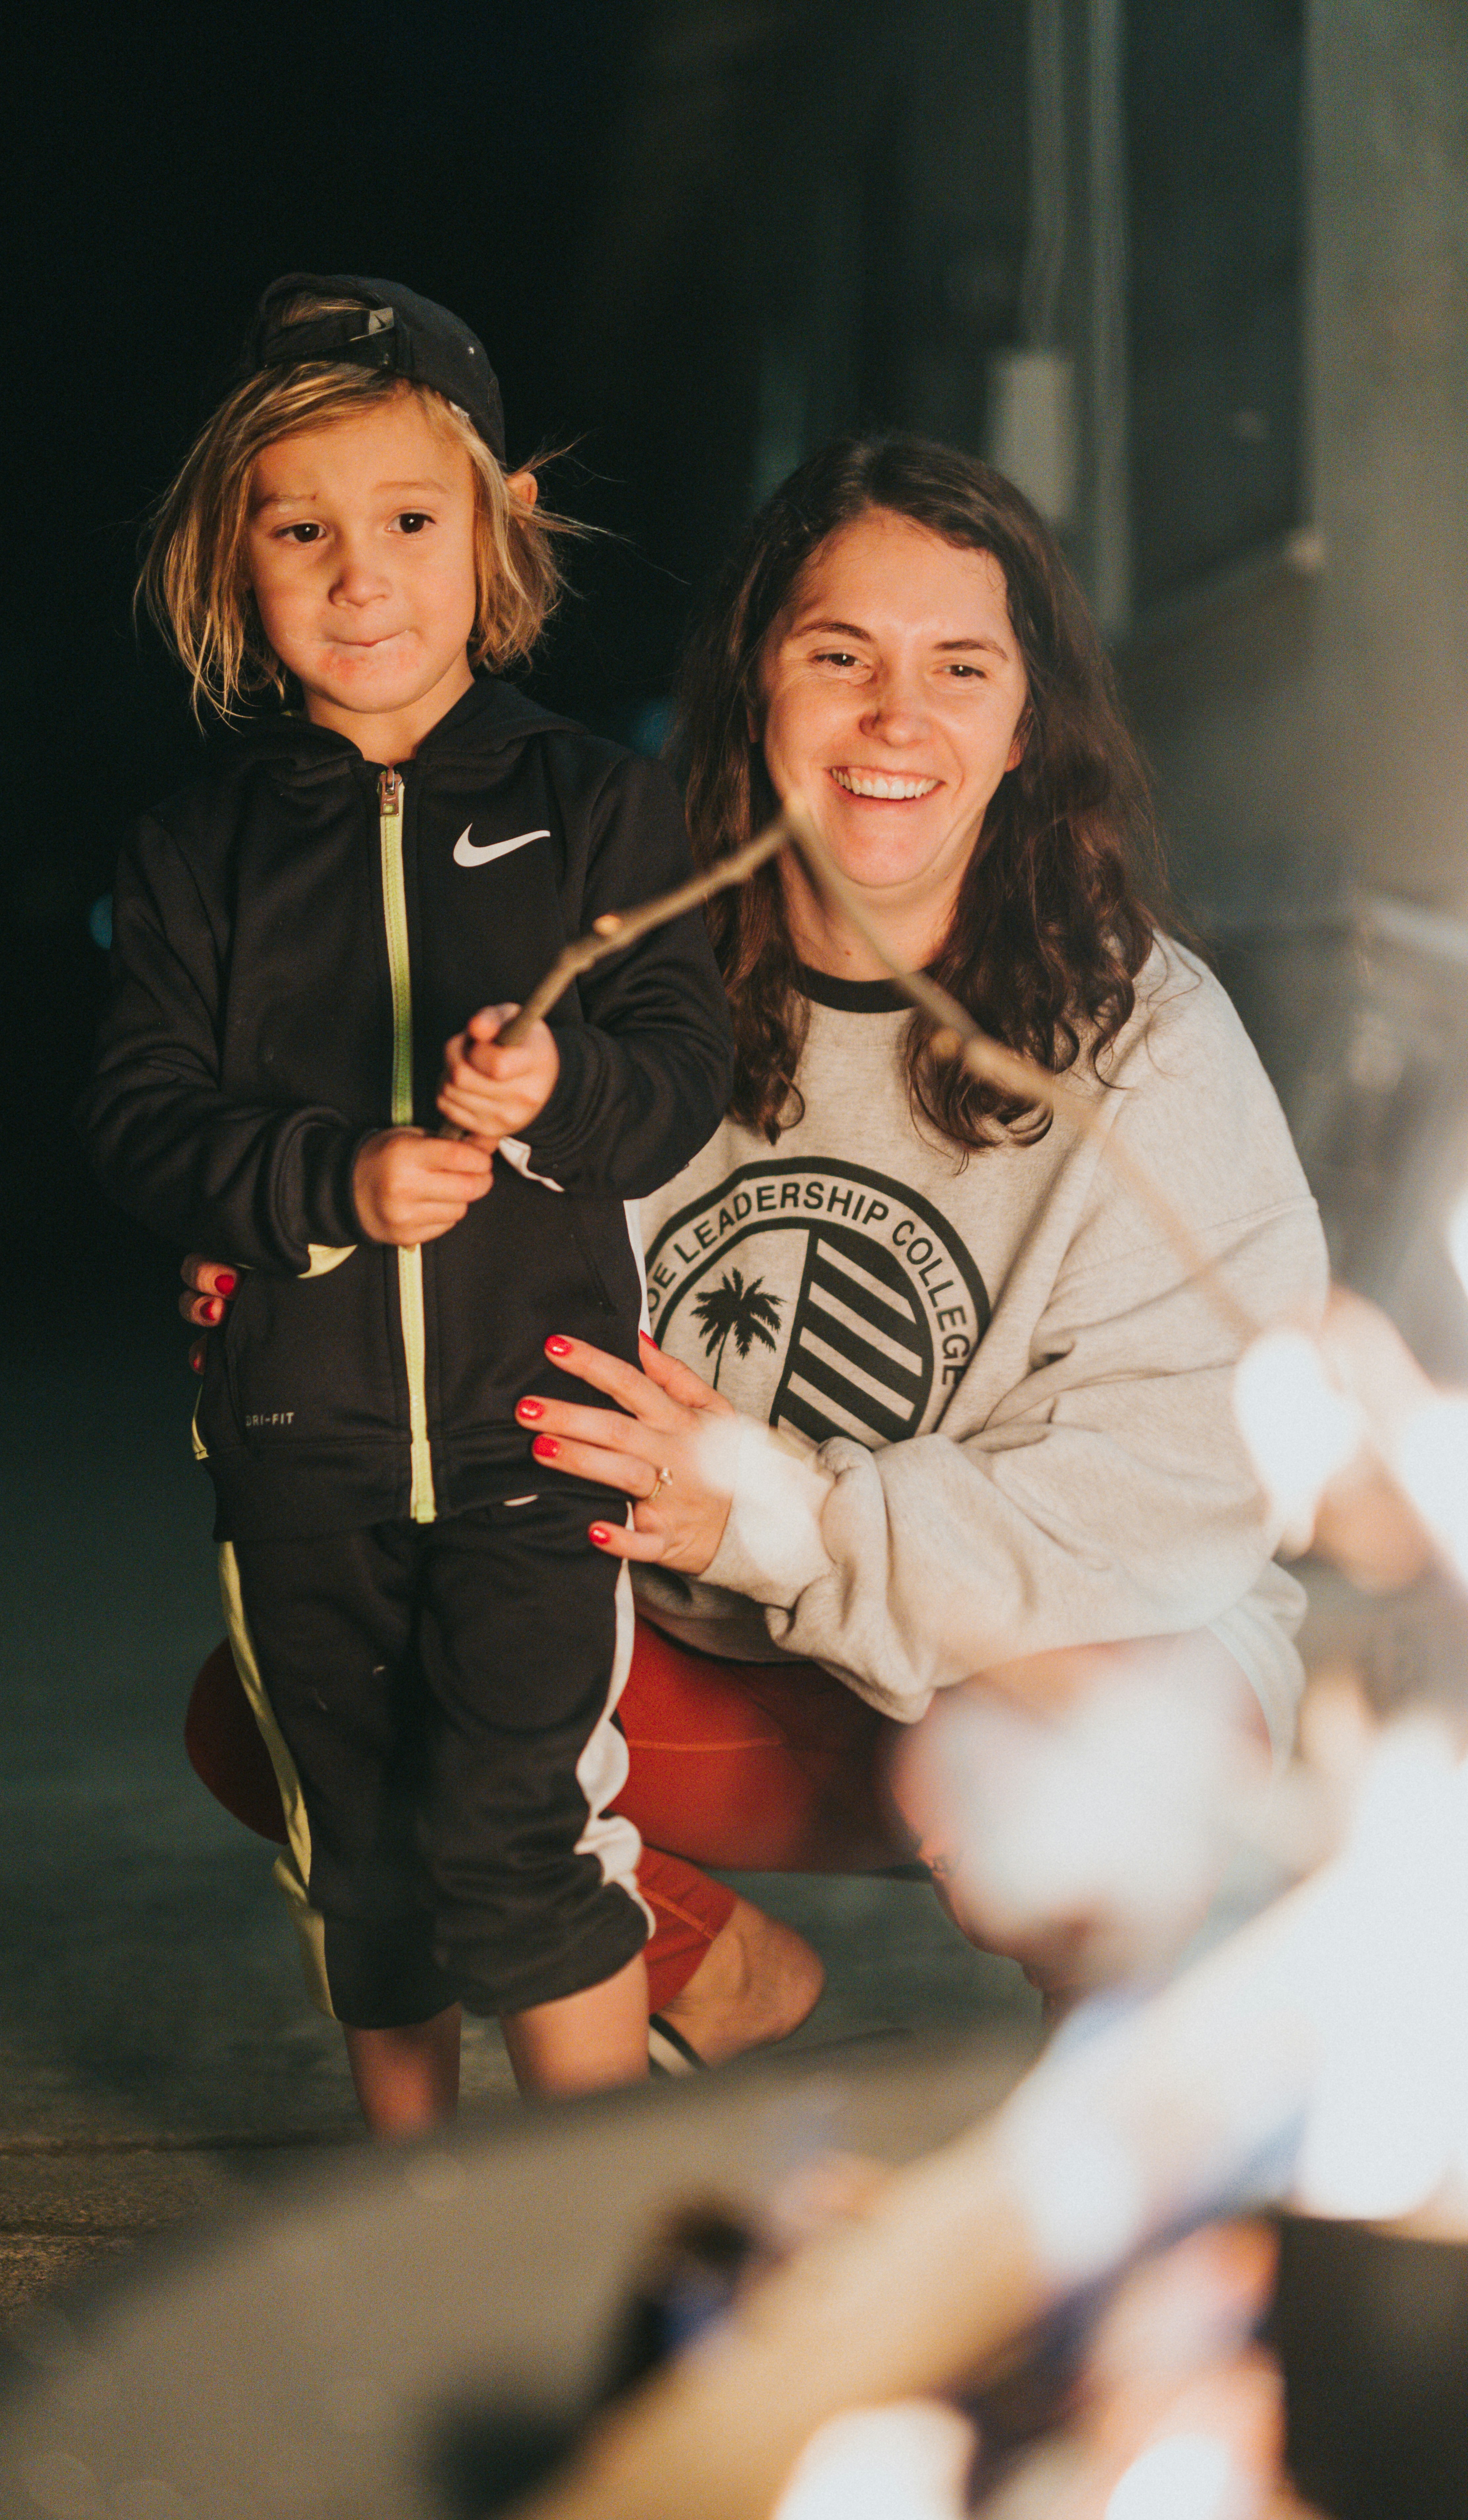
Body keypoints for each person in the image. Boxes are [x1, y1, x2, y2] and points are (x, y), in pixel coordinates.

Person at [174, 430, 1327, 2064]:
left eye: (958, 666)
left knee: (1092, 1760)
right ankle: (713, 1975)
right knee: (301, 1708)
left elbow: (1202, 1468)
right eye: (837, 656)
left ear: (1022, 727)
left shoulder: (1139, 1028)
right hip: (721, 1660)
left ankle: (1124, 2095)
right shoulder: (611, 986)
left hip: (1040, 1654)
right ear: (754, 693)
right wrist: (299, 1238)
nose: (894, 718)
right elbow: (441, 1293)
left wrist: (786, 1510)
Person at [83, 274, 733, 2134]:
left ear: (496, 530)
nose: (359, 575)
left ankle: (590, 2204)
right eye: (302, 531)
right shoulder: (195, 849)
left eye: (408, 521)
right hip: (298, 1442)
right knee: (357, 1839)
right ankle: (414, 2203)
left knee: (513, 1824)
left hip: (538, 1437)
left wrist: (559, 1092)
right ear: (233, 561)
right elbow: (136, 1121)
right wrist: (328, 1180)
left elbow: (676, 1070)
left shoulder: (600, 807)